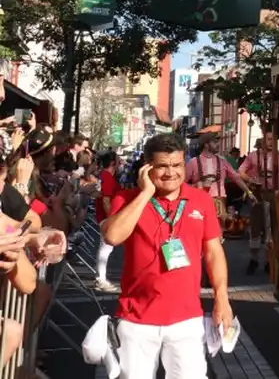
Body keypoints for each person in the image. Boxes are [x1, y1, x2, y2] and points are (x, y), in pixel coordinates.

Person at [101, 133, 233, 379]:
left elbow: (214, 252)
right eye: (162, 166)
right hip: (136, 318)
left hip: (187, 318)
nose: (171, 173)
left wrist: (221, 299)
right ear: (147, 167)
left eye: (177, 165)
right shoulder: (128, 199)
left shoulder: (201, 200)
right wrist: (144, 194)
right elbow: (112, 236)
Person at [238, 130, 279, 276]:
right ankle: (254, 260)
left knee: (273, 229)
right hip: (258, 196)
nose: (272, 142)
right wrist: (251, 180)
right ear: (264, 140)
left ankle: (269, 261)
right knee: (255, 228)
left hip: (275, 196)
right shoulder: (253, 156)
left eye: (274, 139)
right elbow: (240, 171)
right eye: (269, 139)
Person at [185, 133, 253, 225]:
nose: (218, 144)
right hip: (199, 202)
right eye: (214, 142)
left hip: (219, 202)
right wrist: (195, 186)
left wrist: (248, 192)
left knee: (218, 233)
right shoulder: (193, 162)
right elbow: (181, 184)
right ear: (206, 144)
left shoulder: (222, 161)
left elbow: (236, 178)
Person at [94, 151, 122, 293]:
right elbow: (106, 200)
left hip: (105, 217)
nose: (120, 164)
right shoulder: (107, 178)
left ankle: (101, 278)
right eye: (118, 161)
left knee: (105, 249)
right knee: (105, 249)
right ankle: (101, 279)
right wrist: (111, 219)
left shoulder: (104, 176)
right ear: (112, 163)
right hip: (107, 218)